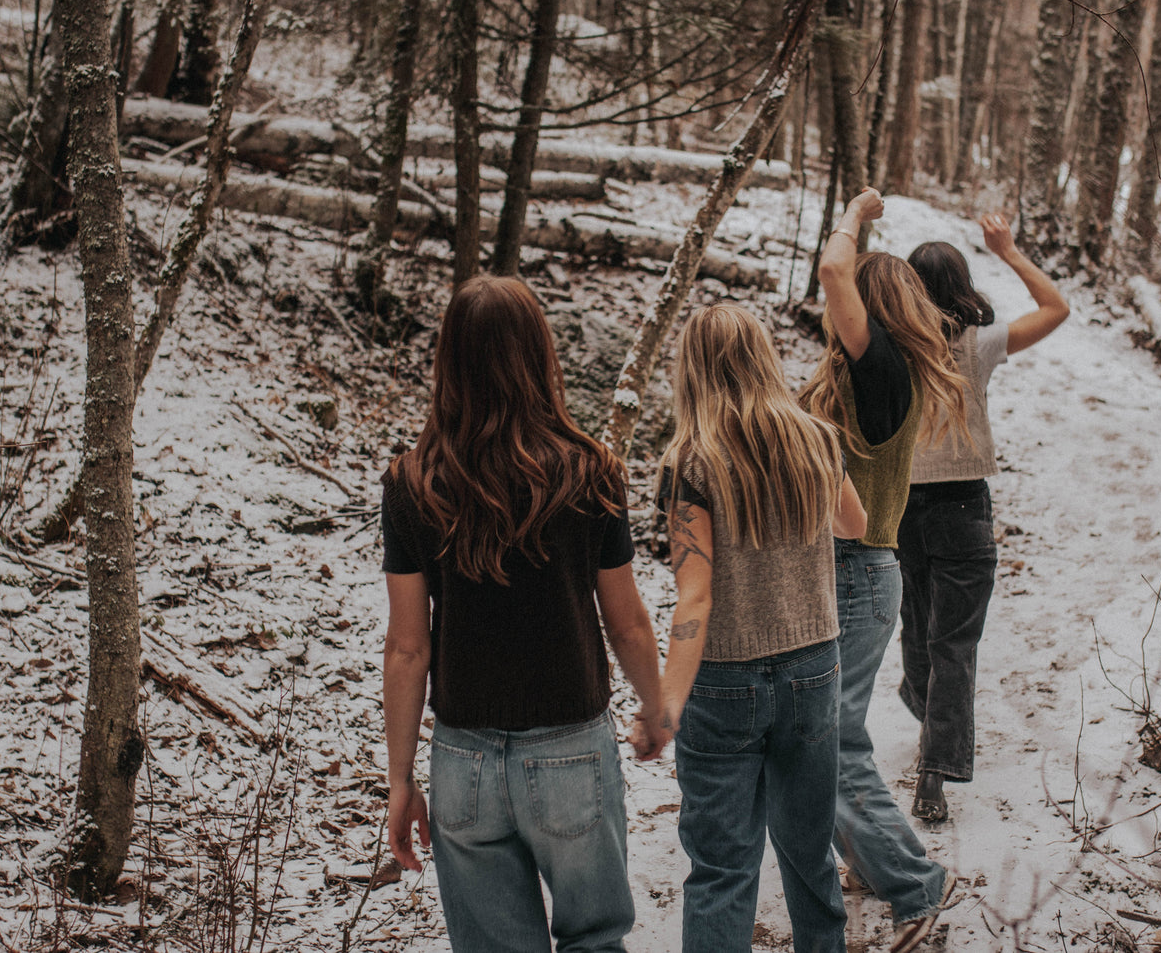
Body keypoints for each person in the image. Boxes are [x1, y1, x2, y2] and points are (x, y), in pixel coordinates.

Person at [380, 275, 669, 953]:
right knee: (594, 940)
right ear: (541, 356)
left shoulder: (413, 482)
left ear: (448, 362)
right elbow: (625, 620)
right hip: (571, 749)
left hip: (464, 760)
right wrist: (655, 706)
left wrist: (400, 780)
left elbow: (406, 647)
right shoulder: (591, 472)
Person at [656, 303, 866, 953]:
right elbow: (853, 525)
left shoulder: (689, 461)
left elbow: (694, 597)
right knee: (808, 849)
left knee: (722, 866)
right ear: (764, 357)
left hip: (722, 678)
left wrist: (664, 701)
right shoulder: (814, 438)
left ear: (690, 369)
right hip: (812, 666)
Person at [800, 188, 966, 951]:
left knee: (827, 743)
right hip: (843, 570)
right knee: (821, 736)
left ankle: (915, 883)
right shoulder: (867, 376)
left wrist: (856, 212)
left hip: (858, 571)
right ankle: (870, 858)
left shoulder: (884, 370)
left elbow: (834, 272)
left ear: (870, 305)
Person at [899, 213, 1069, 823]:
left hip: (900, 509)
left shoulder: (889, 348)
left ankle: (927, 716)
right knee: (954, 643)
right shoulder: (981, 344)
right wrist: (1011, 252)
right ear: (963, 287)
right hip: (963, 505)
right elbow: (1056, 309)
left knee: (919, 625)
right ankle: (935, 768)